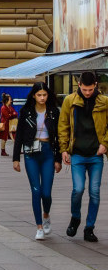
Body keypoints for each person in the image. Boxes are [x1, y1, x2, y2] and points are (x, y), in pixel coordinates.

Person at [59, 71, 108, 242]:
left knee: (95, 192)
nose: (88, 93)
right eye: (85, 89)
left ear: (95, 85)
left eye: (91, 89)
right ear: (79, 85)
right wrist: (63, 149)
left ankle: (89, 228)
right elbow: (63, 125)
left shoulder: (104, 101)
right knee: (78, 189)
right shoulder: (69, 101)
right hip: (78, 154)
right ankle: (75, 217)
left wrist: (105, 144)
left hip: (96, 154)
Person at [14, 82, 62, 240]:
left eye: (45, 95)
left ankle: (46, 215)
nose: (42, 98)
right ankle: (39, 227)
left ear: (48, 96)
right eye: (39, 95)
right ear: (34, 96)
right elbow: (19, 135)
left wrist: (58, 159)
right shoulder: (26, 111)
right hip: (31, 153)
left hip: (48, 152)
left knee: (46, 193)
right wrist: (16, 159)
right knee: (36, 190)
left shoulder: (54, 112)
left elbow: (59, 137)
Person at [0, 93, 18, 157]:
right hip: (5, 125)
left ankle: (18, 150)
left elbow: (16, 113)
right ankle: (2, 151)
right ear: (6, 101)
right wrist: (12, 114)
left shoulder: (10, 107)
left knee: (15, 137)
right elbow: (7, 116)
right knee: (4, 138)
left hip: (11, 124)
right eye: (10, 100)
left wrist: (12, 114)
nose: (11, 101)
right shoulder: (3, 108)